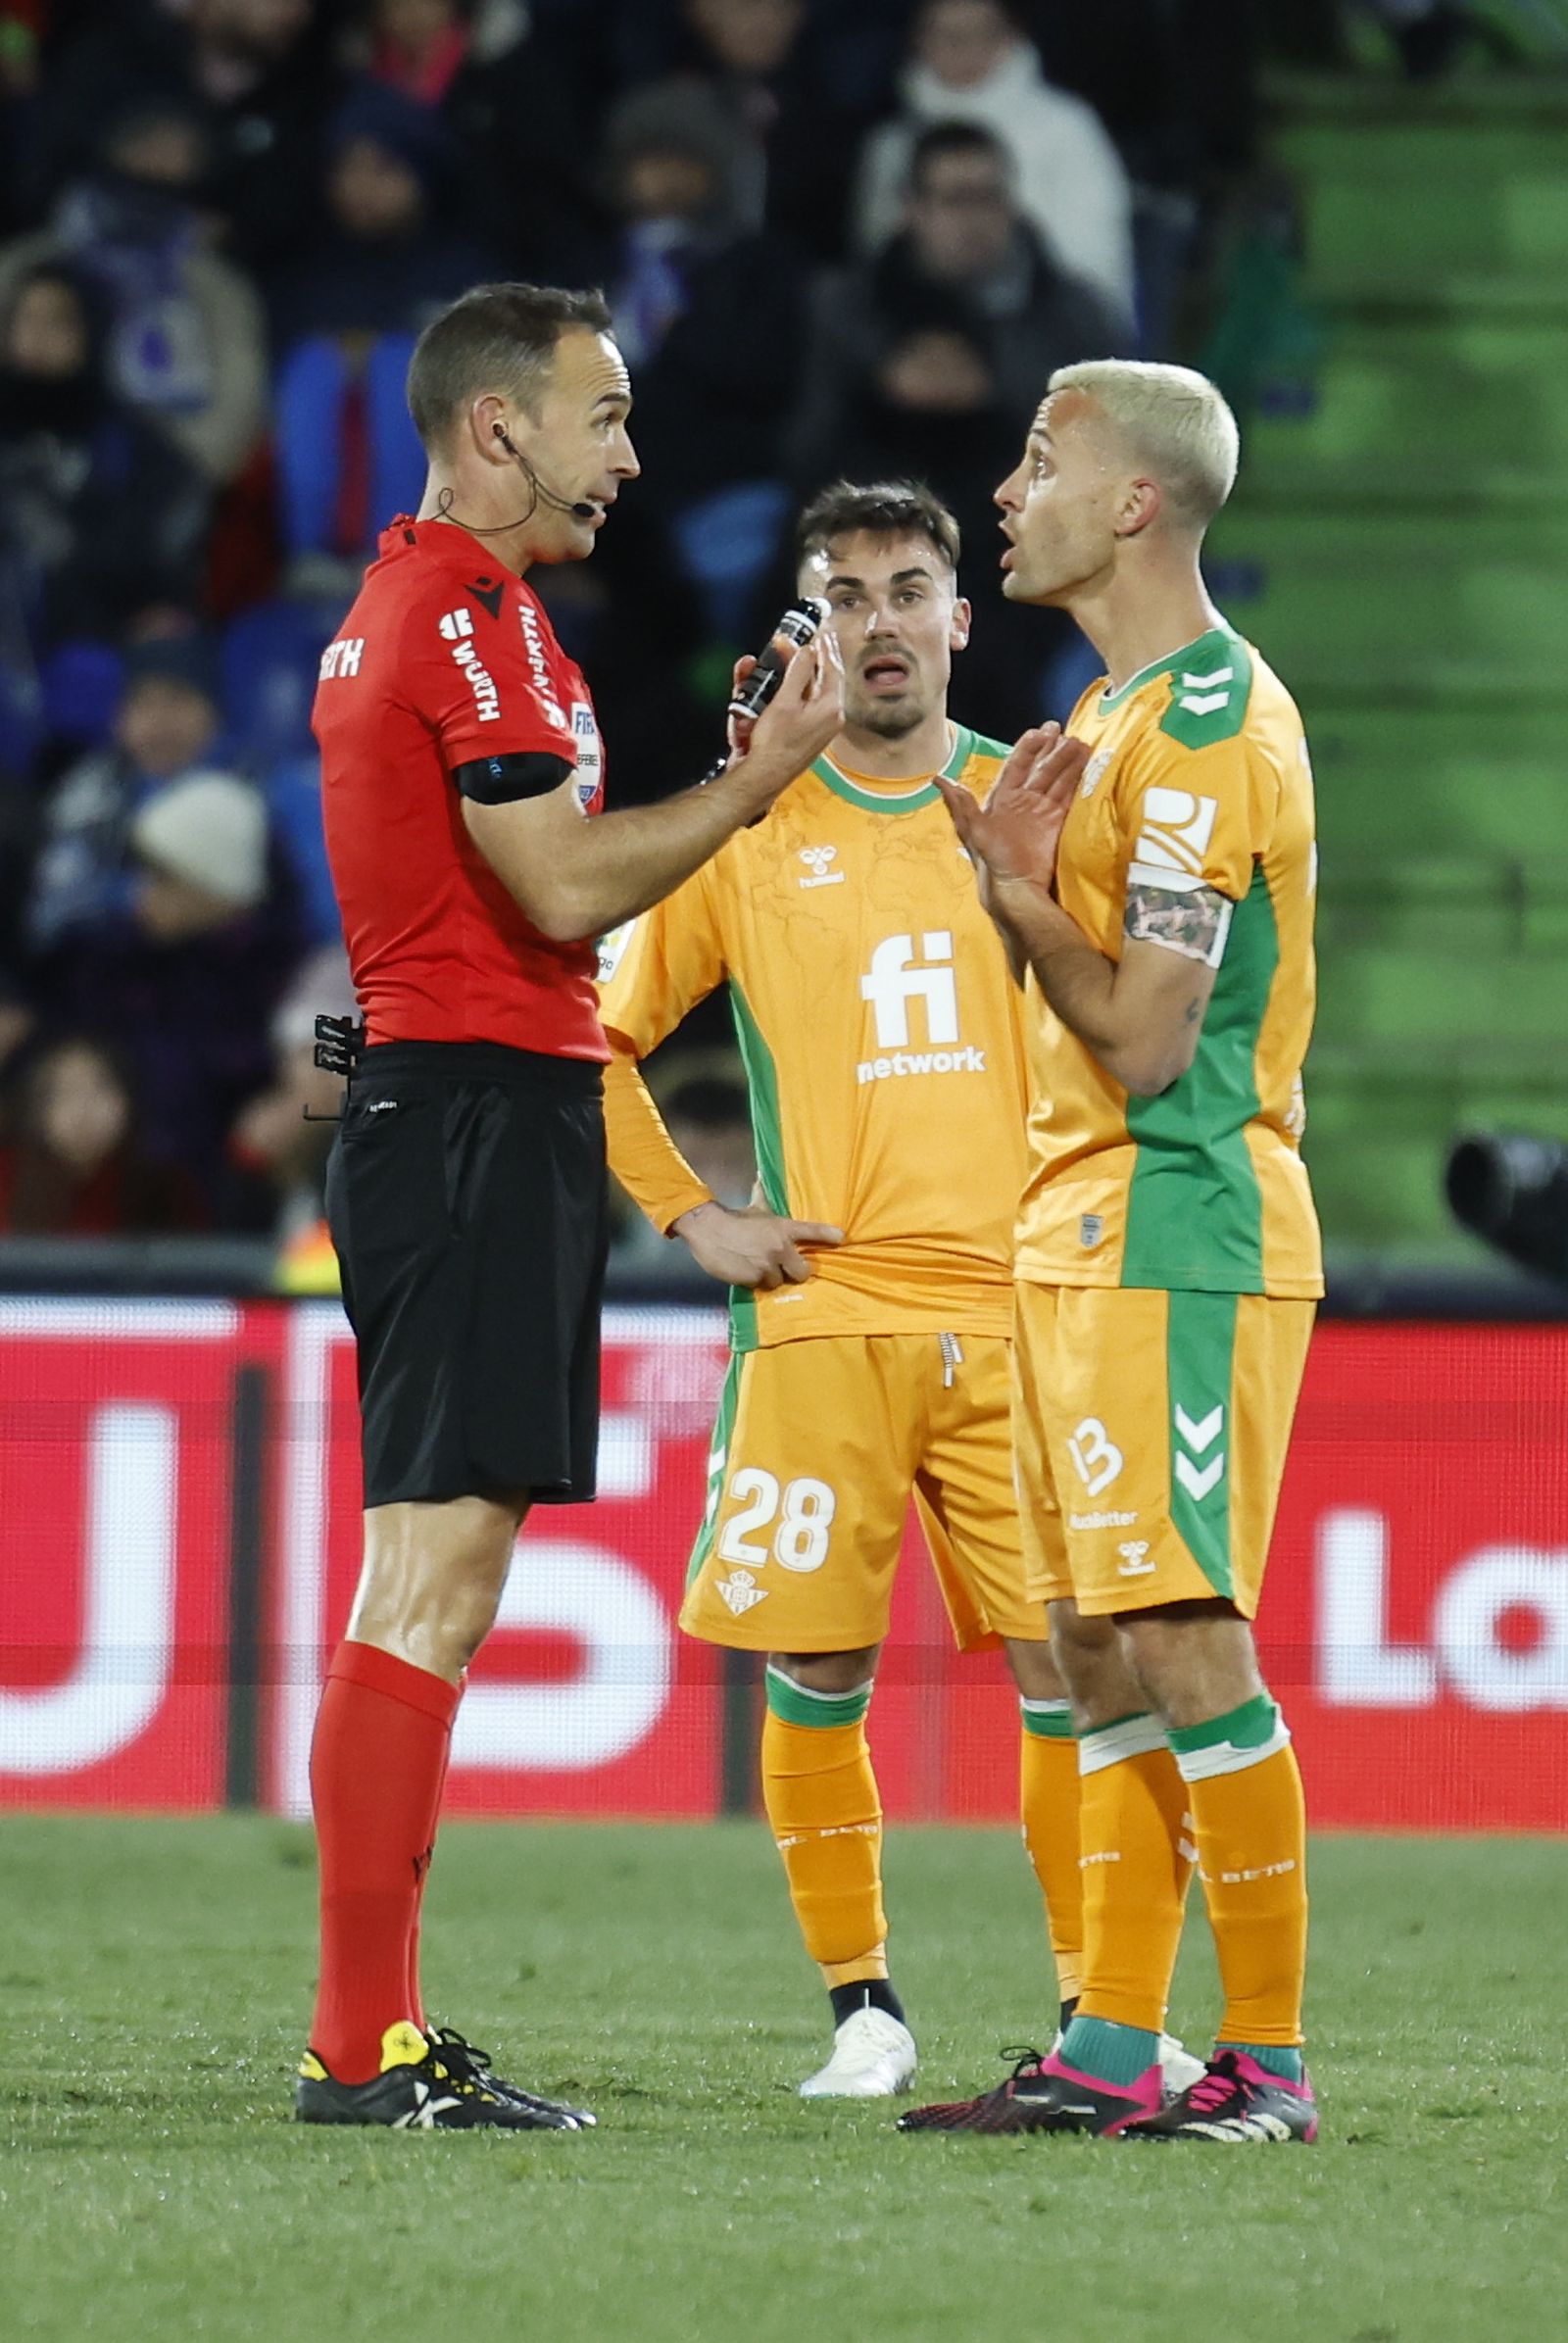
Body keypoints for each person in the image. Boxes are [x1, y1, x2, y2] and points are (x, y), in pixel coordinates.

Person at [299, 279, 841, 2132]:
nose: (630, 452)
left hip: (449, 1107)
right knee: (434, 1580)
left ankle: (368, 2029)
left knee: (422, 1577)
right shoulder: (464, 620)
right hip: (472, 1116)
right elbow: (554, 891)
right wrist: (758, 780)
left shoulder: (434, 611)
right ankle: (363, 2043)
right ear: (499, 425)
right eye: (603, 413)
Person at [598, 480, 1088, 2099]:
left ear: (961, 617)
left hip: (1025, 1316)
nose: (883, 618)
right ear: (814, 627)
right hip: (824, 1313)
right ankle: (863, 2013)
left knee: (1071, 1670)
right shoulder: (747, 826)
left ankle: (1100, 2015)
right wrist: (688, 1216)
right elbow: (588, 1030)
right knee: (817, 1673)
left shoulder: (1032, 798)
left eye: (910, 587)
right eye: (849, 593)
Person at [899, 360, 1322, 2142]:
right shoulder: (1116, 709)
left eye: (1039, 460)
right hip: (1083, 1227)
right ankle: (1112, 2047)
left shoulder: (1212, 724)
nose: (1007, 492)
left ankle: (1269, 2065)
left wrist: (1010, 894)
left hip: (1181, 1222)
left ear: (1135, 501)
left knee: (1181, 1635)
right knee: (1086, 1639)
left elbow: (1151, 1038)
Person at [854, 0, 1135, 328]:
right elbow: (877, 261)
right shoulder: (891, 145)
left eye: (983, 33)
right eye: (949, 35)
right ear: (918, 41)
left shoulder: (1067, 128)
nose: (967, 49)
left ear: (1011, 36)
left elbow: (1092, 262)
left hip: (1043, 328)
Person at [0, 1029, 206, 1235]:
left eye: (100, 1088)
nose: (83, 1109)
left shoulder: (168, 1189)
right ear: (36, 1110)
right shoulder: (7, 1175)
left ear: (128, 1101)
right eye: (64, 1093)